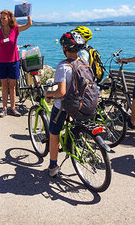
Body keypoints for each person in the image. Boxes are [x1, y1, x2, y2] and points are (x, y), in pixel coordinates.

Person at [45, 31, 85, 177]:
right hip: (82, 105)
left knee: (54, 133)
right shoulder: (83, 62)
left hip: (64, 107)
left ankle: (53, 166)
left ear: (64, 48)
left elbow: (61, 92)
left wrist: (49, 94)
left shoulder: (63, 66)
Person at [0, 7, 32, 118]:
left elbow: (29, 24)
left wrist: (27, 11)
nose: (2, 20)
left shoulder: (15, 29)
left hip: (14, 61)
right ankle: (4, 108)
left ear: (9, 19)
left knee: (12, 87)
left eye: (4, 18)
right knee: (4, 86)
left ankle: (13, 108)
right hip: (2, 62)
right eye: (1, 18)